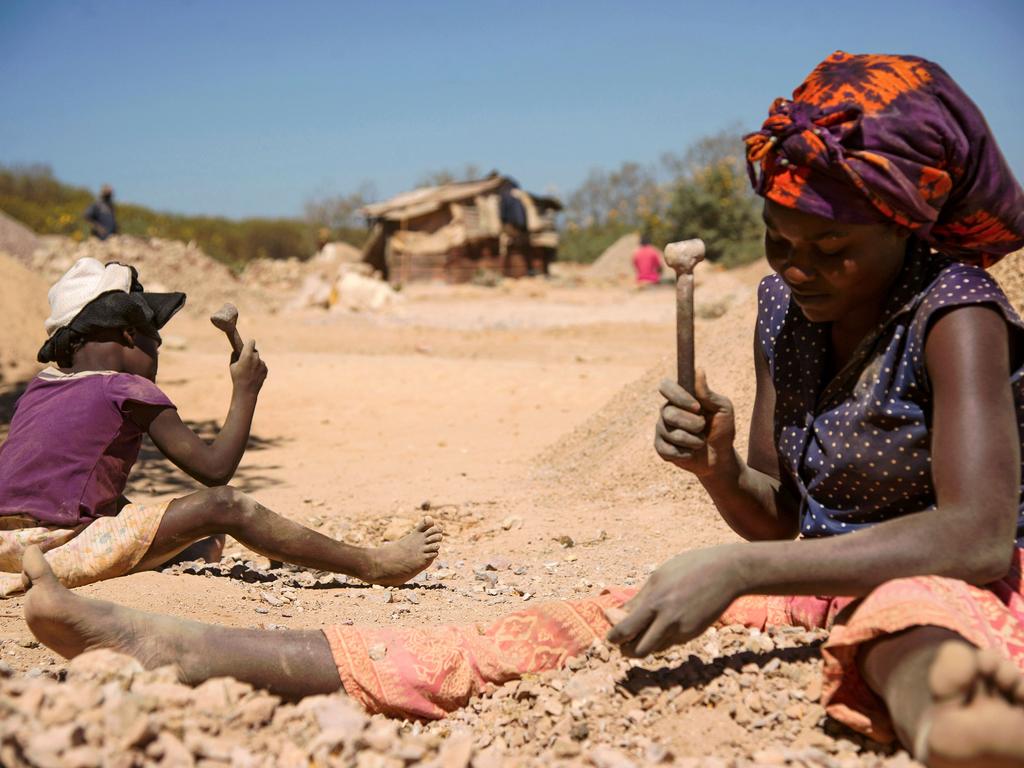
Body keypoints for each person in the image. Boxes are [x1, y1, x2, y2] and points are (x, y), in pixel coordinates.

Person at [606, 51, 1024, 767]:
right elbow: (786, 521)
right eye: (779, 240)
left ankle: (983, 734)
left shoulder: (956, 313)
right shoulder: (783, 311)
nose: (799, 269)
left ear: (905, 225)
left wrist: (740, 571)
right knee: (608, 614)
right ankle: (352, 662)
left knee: (903, 633)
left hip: (954, 587)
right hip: (820, 589)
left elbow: (978, 538)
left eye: (834, 248)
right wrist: (721, 472)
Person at [0, 257, 442, 597]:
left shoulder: (39, 389)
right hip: (56, 550)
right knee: (224, 508)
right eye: (157, 341)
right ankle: (371, 565)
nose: (157, 354)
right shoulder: (126, 387)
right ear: (130, 334)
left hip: (6, 549)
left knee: (120, 501)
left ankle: (189, 551)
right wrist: (246, 389)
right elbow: (215, 472)